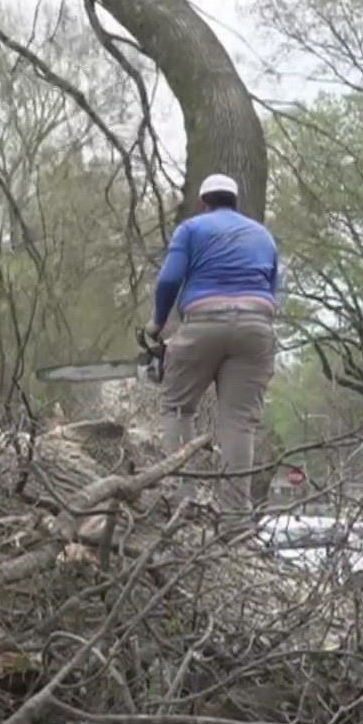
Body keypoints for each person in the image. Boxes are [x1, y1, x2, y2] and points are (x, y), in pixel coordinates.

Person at [145, 173, 280, 509]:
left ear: (203, 203)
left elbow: (170, 279)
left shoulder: (191, 229)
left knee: (177, 407)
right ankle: (235, 519)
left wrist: (158, 324)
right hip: (256, 326)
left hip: (203, 322)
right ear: (236, 202)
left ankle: (181, 503)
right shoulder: (263, 235)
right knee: (239, 421)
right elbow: (274, 288)